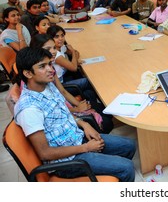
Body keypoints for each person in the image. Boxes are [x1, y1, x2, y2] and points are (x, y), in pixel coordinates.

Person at [14, 47, 135, 181]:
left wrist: (84, 124)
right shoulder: (29, 109)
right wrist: (85, 148)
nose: (51, 69)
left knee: (129, 145)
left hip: (77, 138)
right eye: (42, 66)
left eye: (49, 64)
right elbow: (45, 153)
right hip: (67, 161)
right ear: (28, 73)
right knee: (127, 167)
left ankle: (111, 172)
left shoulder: (47, 85)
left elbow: (62, 114)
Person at [30, 34, 113, 134]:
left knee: (104, 111)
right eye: (48, 48)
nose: (53, 51)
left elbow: (63, 91)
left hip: (66, 105)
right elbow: (54, 110)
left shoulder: (50, 67)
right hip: (64, 116)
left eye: (54, 48)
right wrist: (77, 109)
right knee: (107, 122)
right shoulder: (36, 80)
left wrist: (80, 106)